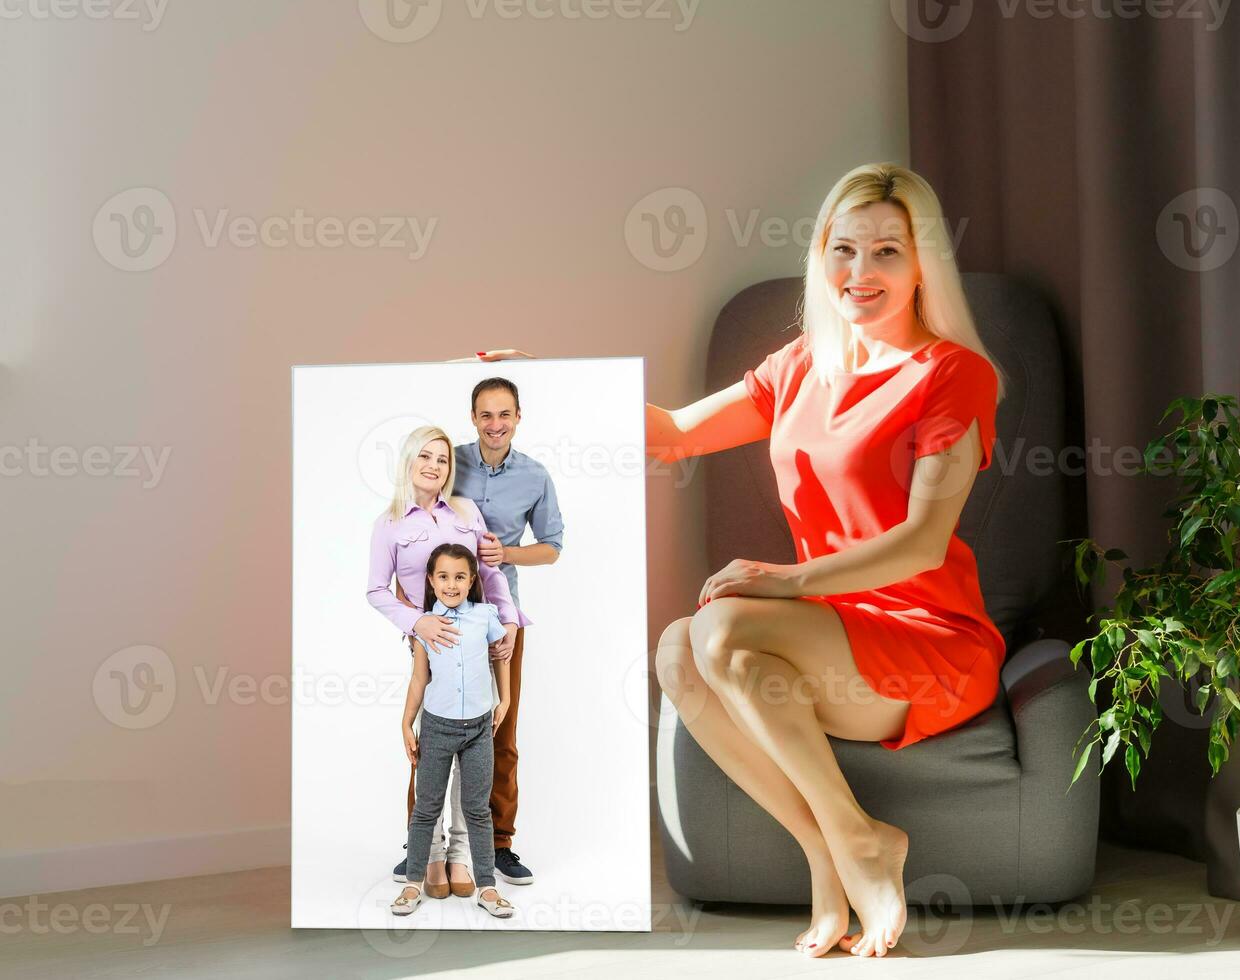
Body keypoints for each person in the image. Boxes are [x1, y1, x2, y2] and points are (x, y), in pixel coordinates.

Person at [476, 162, 1008, 959]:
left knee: (717, 628)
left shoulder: (954, 376)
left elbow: (923, 543)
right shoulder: (804, 365)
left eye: (887, 252)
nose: (860, 274)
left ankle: (860, 843)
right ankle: (834, 846)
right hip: (828, 628)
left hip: (927, 641)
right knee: (676, 650)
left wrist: (784, 580)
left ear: (924, 260)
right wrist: (536, 384)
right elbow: (676, 434)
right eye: (844, 249)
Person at [366, 425, 529, 897]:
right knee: (434, 746)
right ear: (409, 461)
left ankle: (462, 853)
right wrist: (417, 624)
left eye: (442, 458)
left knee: (483, 749)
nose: (434, 465)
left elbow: (490, 573)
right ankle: (430, 854)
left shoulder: (464, 511)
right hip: (430, 642)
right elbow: (377, 589)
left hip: (481, 638)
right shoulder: (389, 523)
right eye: (425, 456)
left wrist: (510, 621)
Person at [452, 376, 565, 886]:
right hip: (443, 615)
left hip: (502, 617)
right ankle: (425, 842)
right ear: (472, 418)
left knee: (502, 730)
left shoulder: (536, 477)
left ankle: (499, 844)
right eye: (485, 415)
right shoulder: (447, 461)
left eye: (504, 415)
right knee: (431, 731)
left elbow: (553, 546)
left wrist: (507, 554)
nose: (495, 425)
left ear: (519, 417)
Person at [390, 543, 515, 919]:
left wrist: (504, 700)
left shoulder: (485, 616)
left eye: (460, 576)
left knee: (477, 809)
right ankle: (413, 884)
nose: (451, 584)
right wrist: (406, 722)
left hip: (478, 730)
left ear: (472, 579)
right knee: (426, 809)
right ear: (431, 580)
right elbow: (418, 679)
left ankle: (487, 887)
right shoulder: (426, 625)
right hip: (437, 728)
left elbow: (500, 658)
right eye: (443, 576)